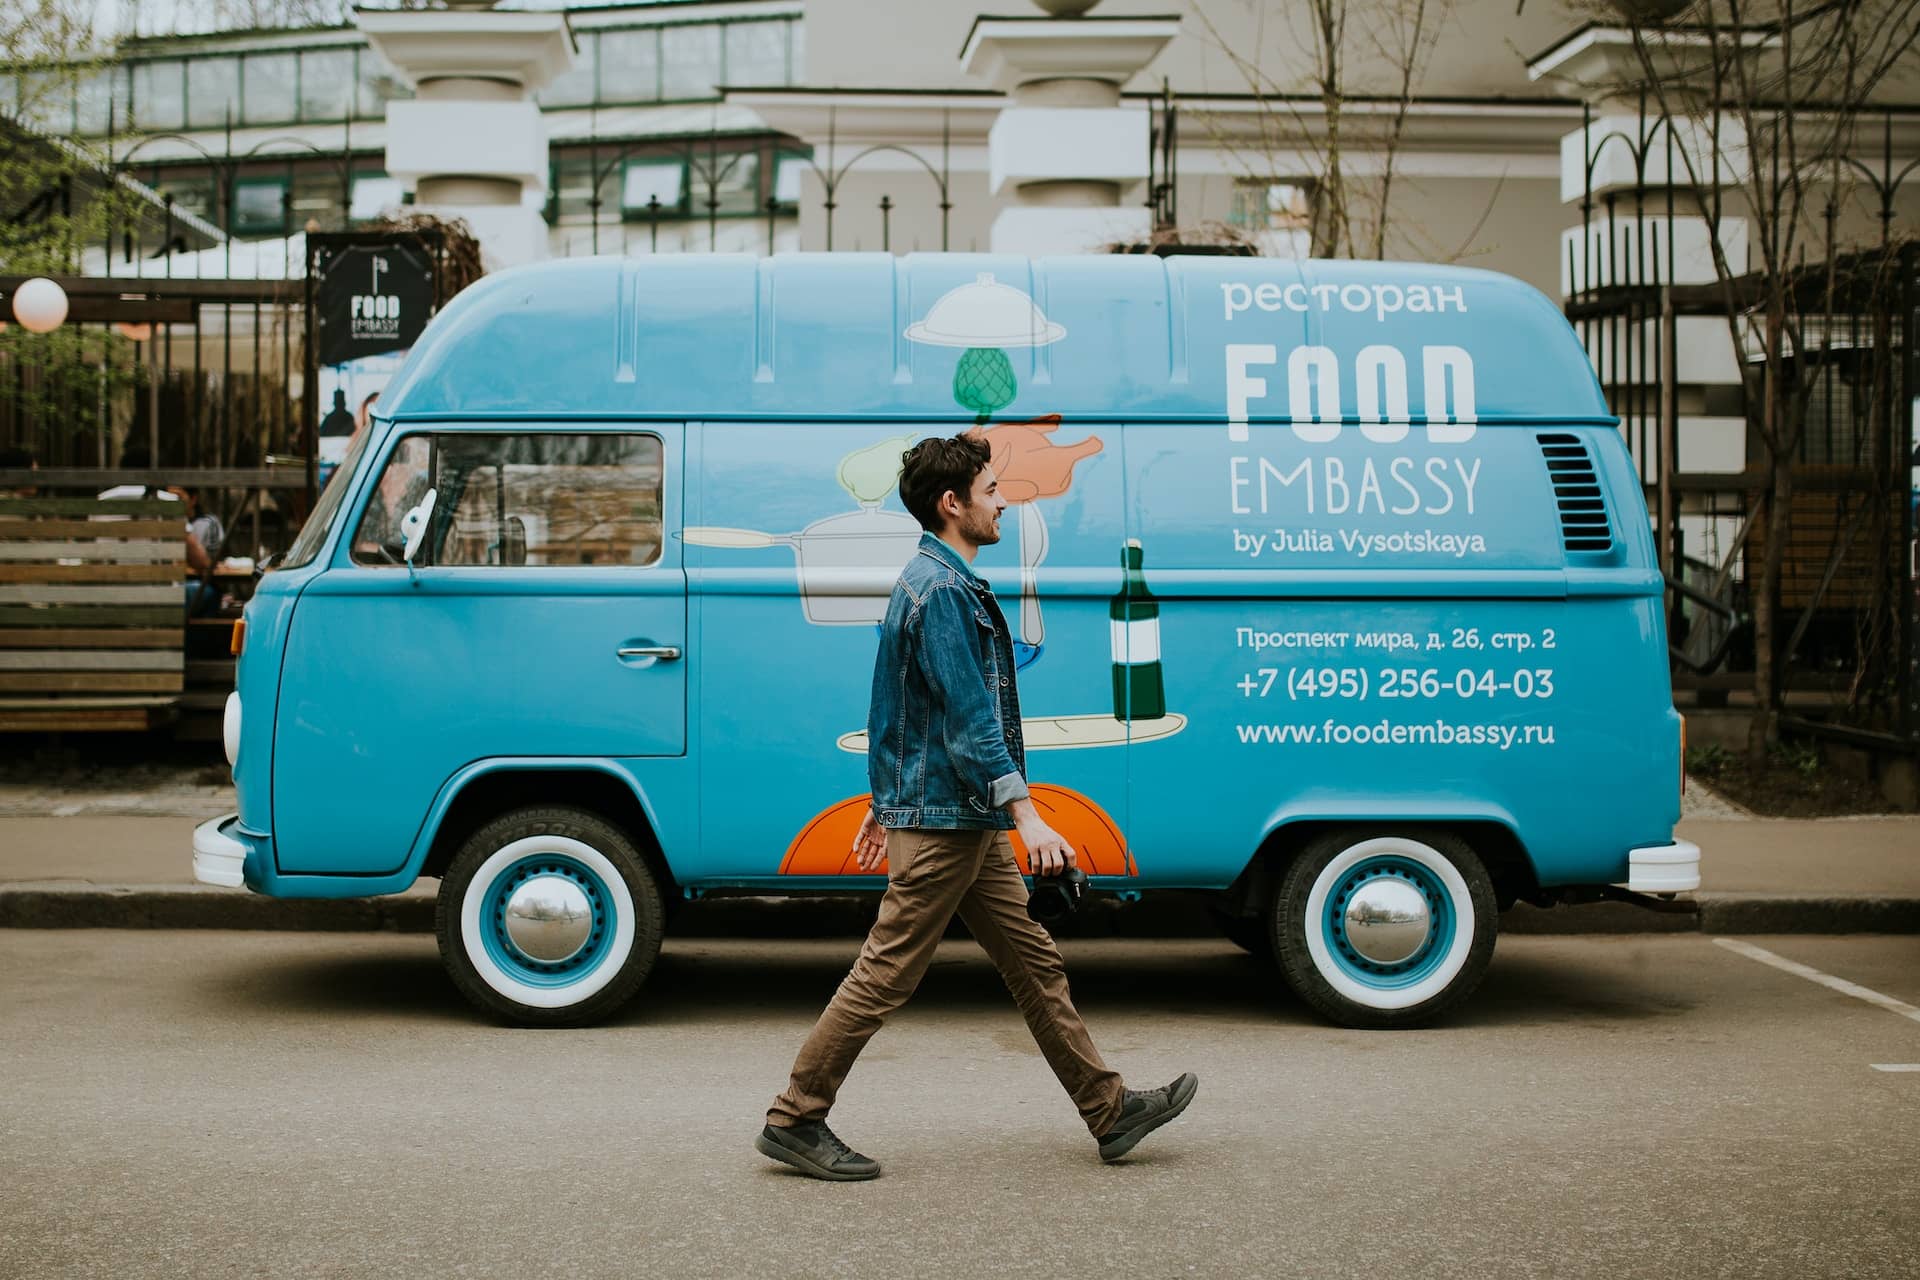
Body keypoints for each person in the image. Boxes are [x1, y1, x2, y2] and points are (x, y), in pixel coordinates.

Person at [755, 431, 1197, 1182]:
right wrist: (1026, 813)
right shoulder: (942, 591)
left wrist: (882, 797)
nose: (1003, 502)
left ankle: (1109, 1108)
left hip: (955, 813)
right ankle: (795, 1117)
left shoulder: (936, 584)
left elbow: (900, 703)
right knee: (886, 972)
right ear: (951, 503)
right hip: (949, 822)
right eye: (992, 492)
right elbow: (965, 715)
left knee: (1034, 962)